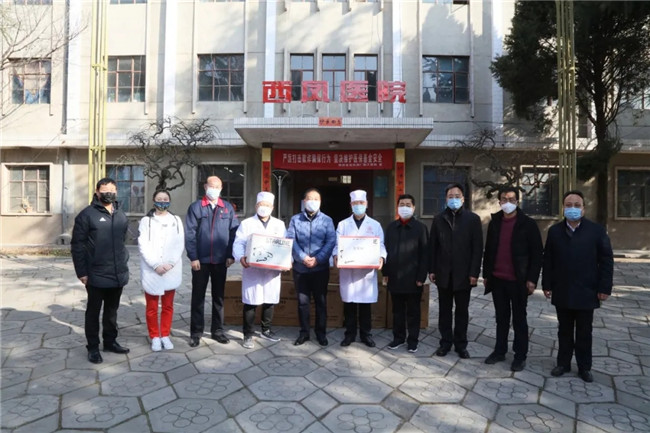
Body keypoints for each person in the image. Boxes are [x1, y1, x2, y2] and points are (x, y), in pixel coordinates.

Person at [542, 190, 613, 383]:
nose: (572, 208)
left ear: (583, 208)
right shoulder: (555, 231)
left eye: (576, 205)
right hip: (562, 288)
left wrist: (604, 287)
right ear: (563, 208)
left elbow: (606, 260)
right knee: (564, 330)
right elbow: (548, 260)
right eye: (568, 205)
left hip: (587, 290)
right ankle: (563, 363)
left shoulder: (596, 231)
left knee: (584, 331)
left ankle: (584, 367)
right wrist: (547, 284)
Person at [482, 187, 543, 371]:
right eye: (504, 199)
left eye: (511, 199)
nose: (507, 202)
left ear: (517, 201)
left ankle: (520, 355)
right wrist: (486, 275)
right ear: (499, 201)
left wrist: (532, 279)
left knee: (519, 319)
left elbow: (537, 254)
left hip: (518, 281)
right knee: (501, 318)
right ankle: (499, 351)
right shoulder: (495, 223)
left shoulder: (528, 224)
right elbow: (489, 250)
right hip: (498, 279)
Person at [71, 177, 130, 364]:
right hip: (95, 274)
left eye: (111, 190)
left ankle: (110, 341)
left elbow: (122, 241)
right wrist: (82, 272)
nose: (108, 194)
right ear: (97, 192)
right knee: (93, 312)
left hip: (117, 273)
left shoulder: (120, 214)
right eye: (104, 191)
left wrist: (124, 260)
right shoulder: (86, 215)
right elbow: (77, 245)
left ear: (116, 191)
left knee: (112, 311)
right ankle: (93, 348)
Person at [429, 183, 483, 359]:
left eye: (457, 196)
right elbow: (433, 246)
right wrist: (432, 269)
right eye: (450, 196)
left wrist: (474, 273)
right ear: (445, 199)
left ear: (463, 199)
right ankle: (445, 343)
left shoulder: (472, 219)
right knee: (444, 311)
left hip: (464, 274)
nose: (454, 199)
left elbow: (477, 249)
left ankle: (461, 344)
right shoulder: (438, 219)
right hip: (443, 273)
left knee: (462, 311)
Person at [185, 176, 240, 347]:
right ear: (205, 187)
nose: (214, 189)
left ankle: (218, 331)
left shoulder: (227, 208)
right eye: (211, 186)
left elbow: (234, 233)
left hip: (221, 260)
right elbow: (190, 233)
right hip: (200, 261)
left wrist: (231, 255)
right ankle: (196, 333)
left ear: (221, 188)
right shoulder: (196, 207)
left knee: (219, 297)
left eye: (217, 186)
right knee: (198, 297)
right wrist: (193, 256)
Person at [232, 191, 286, 349]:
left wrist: (286, 261)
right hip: (252, 269)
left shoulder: (279, 224)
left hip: (271, 271)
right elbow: (238, 243)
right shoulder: (247, 223)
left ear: (272, 208)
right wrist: (240, 257)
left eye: (267, 205)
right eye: (261, 205)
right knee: (251, 301)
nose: (264, 207)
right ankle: (248, 334)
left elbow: (285, 244)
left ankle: (266, 330)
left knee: (270, 300)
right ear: (256, 206)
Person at [334, 189, 387, 348]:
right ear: (351, 205)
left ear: (367, 204)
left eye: (361, 203)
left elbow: (381, 245)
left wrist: (381, 257)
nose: (358, 205)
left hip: (366, 273)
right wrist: (336, 255)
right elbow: (337, 245)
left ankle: (366, 335)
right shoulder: (343, 224)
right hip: (349, 271)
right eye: (355, 203)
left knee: (365, 306)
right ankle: (349, 334)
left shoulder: (375, 225)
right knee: (349, 304)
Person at [286, 188, 336, 346]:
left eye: (316, 199)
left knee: (321, 301)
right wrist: (303, 257)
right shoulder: (295, 219)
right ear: (304, 201)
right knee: (303, 302)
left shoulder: (327, 220)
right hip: (301, 269)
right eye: (309, 198)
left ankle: (321, 333)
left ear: (320, 202)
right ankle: (304, 332)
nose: (312, 201)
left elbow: (331, 241)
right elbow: (291, 240)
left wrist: (318, 259)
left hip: (320, 269)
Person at [138, 190, 185, 352]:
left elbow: (179, 243)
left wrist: (170, 263)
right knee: (151, 307)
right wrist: (155, 264)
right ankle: (154, 336)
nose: (162, 202)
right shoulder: (146, 221)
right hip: (152, 270)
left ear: (169, 201)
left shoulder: (176, 220)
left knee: (167, 306)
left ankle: (165, 334)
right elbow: (143, 244)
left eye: (165, 199)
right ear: (153, 200)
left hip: (171, 269)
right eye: (159, 199)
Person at [382, 193, 429, 353]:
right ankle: (398, 337)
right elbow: (385, 251)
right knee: (397, 310)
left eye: (408, 205)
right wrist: (385, 272)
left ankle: (413, 340)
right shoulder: (391, 228)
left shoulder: (420, 228)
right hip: (395, 276)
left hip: (413, 277)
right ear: (397, 207)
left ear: (414, 208)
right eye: (402, 205)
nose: (405, 208)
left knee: (413, 311)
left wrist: (421, 277)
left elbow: (425, 254)